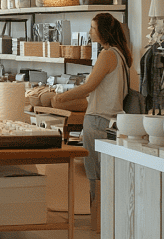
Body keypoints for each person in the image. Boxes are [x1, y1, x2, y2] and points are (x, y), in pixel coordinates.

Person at [54, 13, 132, 223]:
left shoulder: (107, 55)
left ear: (103, 32)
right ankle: (106, 221)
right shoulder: (121, 55)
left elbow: (89, 87)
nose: (90, 32)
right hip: (112, 121)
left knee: (95, 176)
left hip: (97, 121)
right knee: (106, 174)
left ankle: (98, 223)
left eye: (92, 28)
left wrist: (61, 97)